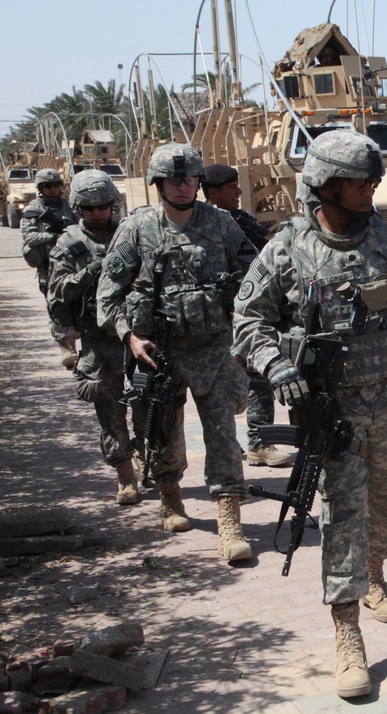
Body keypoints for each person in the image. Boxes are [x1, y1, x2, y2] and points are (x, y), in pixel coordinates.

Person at [231, 131, 387, 699]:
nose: (369, 189)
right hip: (334, 413)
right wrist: (276, 365)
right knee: (344, 515)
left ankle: (375, 573)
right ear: (323, 185)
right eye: (357, 182)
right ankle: (347, 632)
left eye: (372, 181)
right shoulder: (287, 249)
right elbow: (248, 320)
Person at [96, 143, 257, 565]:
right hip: (159, 352)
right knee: (163, 433)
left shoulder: (221, 224)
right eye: (174, 180)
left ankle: (230, 522)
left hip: (215, 347)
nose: (183, 187)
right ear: (158, 184)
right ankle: (170, 497)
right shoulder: (137, 228)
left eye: (189, 179)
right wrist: (130, 336)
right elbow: (109, 294)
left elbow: (255, 277)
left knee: (222, 432)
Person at [47, 170, 139, 504]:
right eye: (89, 208)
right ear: (78, 208)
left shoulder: (131, 233)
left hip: (137, 337)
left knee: (151, 407)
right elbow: (57, 293)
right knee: (110, 412)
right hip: (98, 341)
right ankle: (125, 476)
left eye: (103, 205)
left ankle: (151, 461)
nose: (97, 212)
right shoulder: (69, 243)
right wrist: (88, 273)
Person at [202, 163, 292, 468]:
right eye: (231, 188)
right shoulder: (207, 227)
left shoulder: (242, 221)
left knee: (258, 379)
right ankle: (239, 443)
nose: (239, 192)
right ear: (212, 192)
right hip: (220, 320)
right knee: (222, 389)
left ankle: (259, 442)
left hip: (248, 315)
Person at [21, 167, 79, 369]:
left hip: (73, 263)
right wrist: (53, 237)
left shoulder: (70, 206)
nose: (52, 190)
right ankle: (66, 346)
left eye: (55, 185)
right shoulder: (33, 210)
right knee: (56, 306)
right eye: (47, 186)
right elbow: (28, 236)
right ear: (40, 188)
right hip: (49, 267)